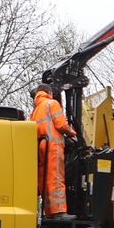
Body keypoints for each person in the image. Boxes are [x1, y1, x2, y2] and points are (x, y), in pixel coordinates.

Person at [30, 84, 77, 219]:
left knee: (44, 179)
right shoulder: (52, 103)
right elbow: (61, 124)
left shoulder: (35, 111)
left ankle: (49, 212)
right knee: (56, 177)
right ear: (49, 92)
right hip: (54, 146)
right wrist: (73, 133)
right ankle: (59, 212)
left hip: (41, 147)